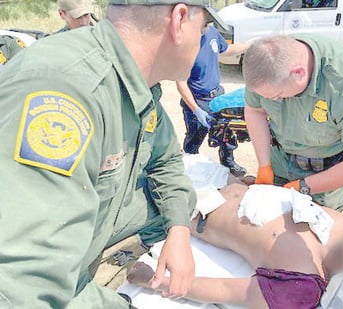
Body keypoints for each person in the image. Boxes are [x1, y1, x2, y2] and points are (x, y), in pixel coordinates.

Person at [0, 0, 225, 307]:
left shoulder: (135, 81)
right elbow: (22, 285)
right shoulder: (68, 90)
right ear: (180, 19)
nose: (203, 41)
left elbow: (166, 159)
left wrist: (179, 230)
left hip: (90, 240)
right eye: (204, 28)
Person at [128, 182, 343, 308]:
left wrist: (155, 280)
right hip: (224, 188)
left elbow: (225, 290)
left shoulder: (302, 289)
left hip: (190, 209)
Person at [242, 34, 343, 211]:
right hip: (278, 157)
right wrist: (264, 164)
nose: (273, 99)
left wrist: (302, 187)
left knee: (315, 231)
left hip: (323, 172)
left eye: (277, 95)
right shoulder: (267, 64)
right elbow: (255, 110)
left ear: (299, 73)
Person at [177, 25, 250, 177]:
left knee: (226, 132)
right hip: (198, 99)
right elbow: (181, 82)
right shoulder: (185, 45)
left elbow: (227, 50)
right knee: (195, 137)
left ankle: (228, 162)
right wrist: (196, 110)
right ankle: (189, 164)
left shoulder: (212, 32)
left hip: (218, 95)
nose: (204, 27)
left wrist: (248, 45)